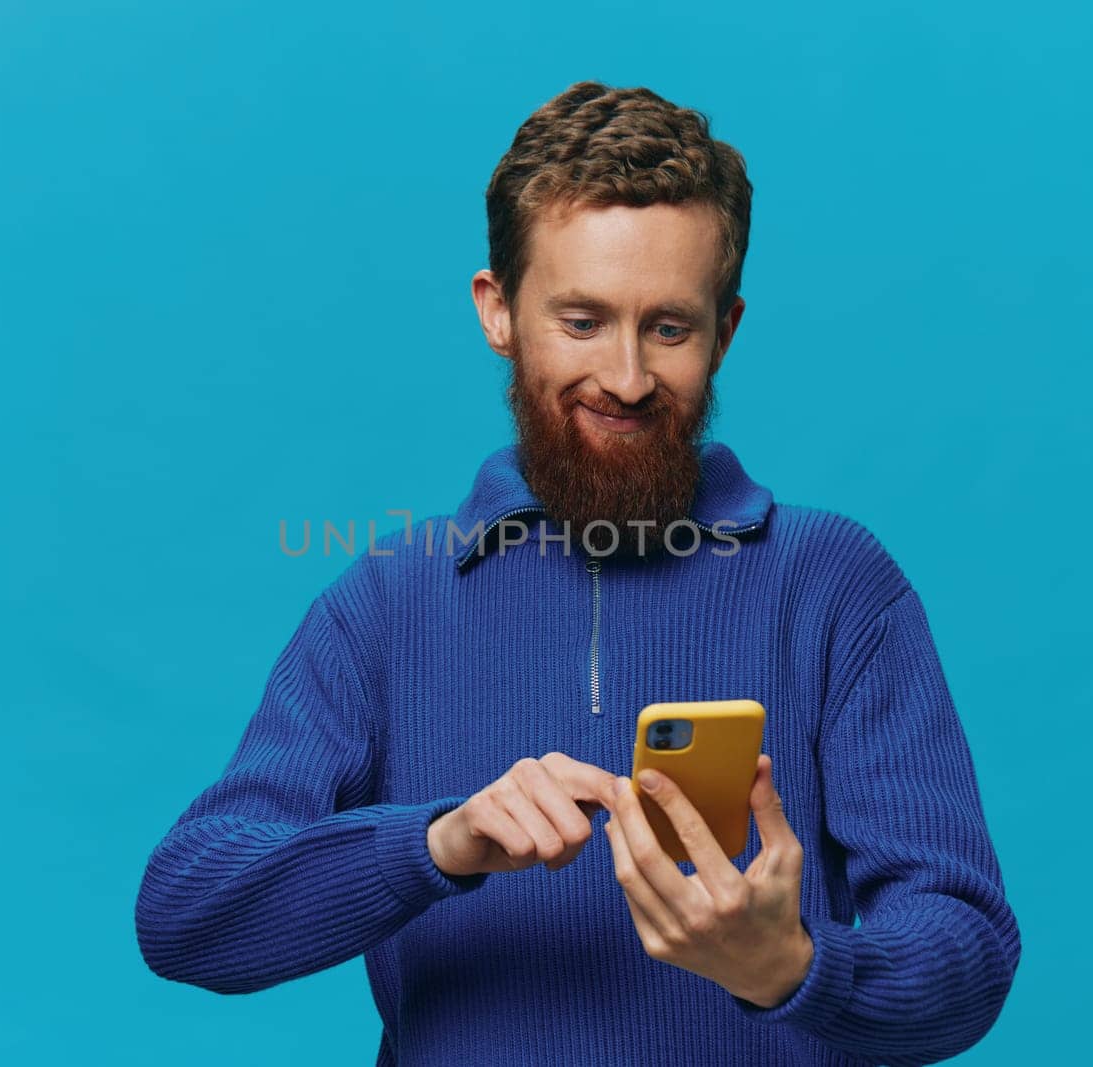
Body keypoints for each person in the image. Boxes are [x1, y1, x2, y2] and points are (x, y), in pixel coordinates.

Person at [135, 79, 1021, 1067]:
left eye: (670, 328)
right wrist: (441, 843)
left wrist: (789, 965)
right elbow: (186, 913)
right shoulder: (389, 600)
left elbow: (969, 956)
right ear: (498, 311)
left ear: (723, 330)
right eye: (583, 320)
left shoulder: (833, 585)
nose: (629, 378)